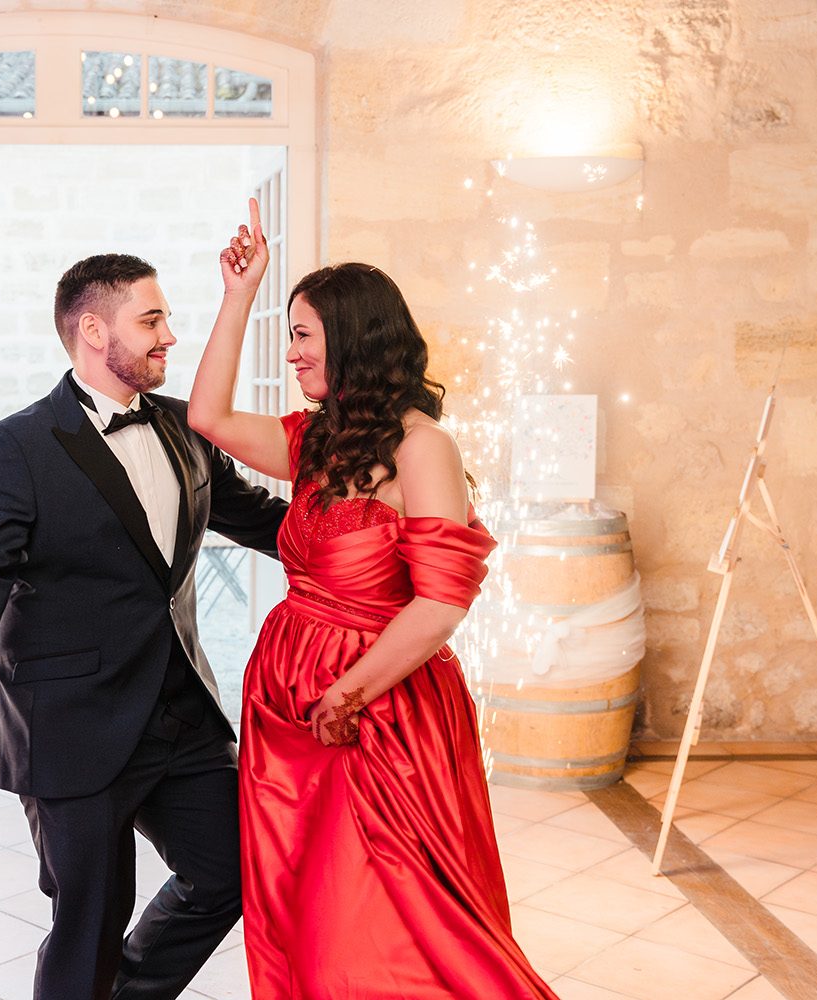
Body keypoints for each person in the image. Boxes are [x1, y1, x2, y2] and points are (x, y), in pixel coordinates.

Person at [187, 201, 559, 999]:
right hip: (287, 707)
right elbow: (206, 416)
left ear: (351, 340)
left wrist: (349, 691)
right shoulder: (318, 441)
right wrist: (238, 294)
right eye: (289, 334)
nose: (291, 354)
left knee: (387, 913)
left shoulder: (426, 449)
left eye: (302, 335)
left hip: (377, 709)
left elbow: (440, 606)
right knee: (301, 904)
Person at [0, 252, 288, 1000]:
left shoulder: (186, 426)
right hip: (69, 724)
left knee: (236, 871)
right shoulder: (17, 444)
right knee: (90, 920)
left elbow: (270, 524)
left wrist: (375, 524)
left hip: (179, 713)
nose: (169, 338)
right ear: (93, 329)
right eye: (151, 321)